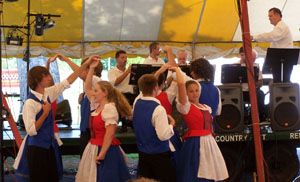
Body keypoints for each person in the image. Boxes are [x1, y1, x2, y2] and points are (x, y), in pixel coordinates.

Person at [13, 55, 97, 182]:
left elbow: (68, 81)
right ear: (37, 80)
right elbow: (31, 130)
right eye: (46, 76)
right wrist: (45, 113)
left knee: (52, 177)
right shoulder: (30, 103)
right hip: (37, 148)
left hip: (49, 146)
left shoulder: (47, 93)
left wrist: (87, 64)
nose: (50, 77)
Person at [76, 59, 132, 182]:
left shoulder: (109, 109)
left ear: (105, 93)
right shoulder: (96, 105)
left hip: (106, 149)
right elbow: (87, 88)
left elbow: (110, 133)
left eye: (96, 91)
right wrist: (91, 69)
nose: (93, 93)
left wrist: (102, 153)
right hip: (94, 146)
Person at [176, 77, 228, 181]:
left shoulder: (206, 107)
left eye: (196, 90)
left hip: (209, 142)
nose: (195, 93)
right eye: (191, 91)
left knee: (211, 170)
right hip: (195, 143)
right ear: (186, 93)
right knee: (195, 171)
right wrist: (177, 69)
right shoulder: (186, 107)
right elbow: (181, 84)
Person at [132, 74, 176, 182]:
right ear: (156, 87)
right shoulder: (158, 109)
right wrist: (171, 125)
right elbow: (163, 135)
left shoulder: (137, 103)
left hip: (143, 153)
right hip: (159, 155)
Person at [59, 54, 103, 157]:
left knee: (88, 158)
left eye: (84, 68)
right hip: (86, 127)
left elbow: (79, 72)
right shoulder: (89, 85)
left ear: (92, 70)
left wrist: (66, 59)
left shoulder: (96, 80)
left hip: (91, 129)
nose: (81, 70)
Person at [108, 50, 136, 131]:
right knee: (123, 99)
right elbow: (115, 83)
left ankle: (132, 122)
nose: (125, 59)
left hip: (131, 95)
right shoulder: (112, 71)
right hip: (119, 96)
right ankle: (125, 122)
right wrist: (127, 72)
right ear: (116, 59)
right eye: (122, 57)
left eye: (126, 57)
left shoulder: (130, 72)